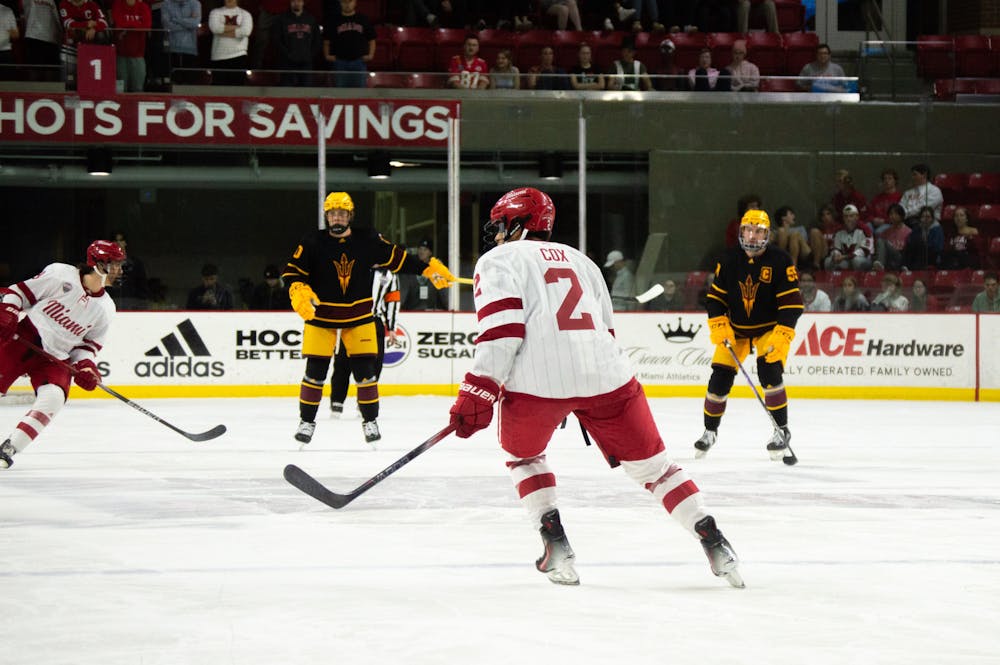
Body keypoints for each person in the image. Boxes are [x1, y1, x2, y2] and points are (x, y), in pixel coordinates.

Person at [448, 186, 743, 588]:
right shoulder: (583, 261)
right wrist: (580, 390)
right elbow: (605, 329)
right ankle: (715, 540)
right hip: (607, 376)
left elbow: (502, 332)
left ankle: (556, 545)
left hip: (536, 384)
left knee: (524, 457)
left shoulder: (497, 259)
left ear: (518, 223)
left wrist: (478, 390)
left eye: (501, 225)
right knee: (657, 469)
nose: (497, 235)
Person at [283, 191, 456, 446]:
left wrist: (428, 268)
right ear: (326, 216)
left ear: (350, 215)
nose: (337, 218)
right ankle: (306, 422)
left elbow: (398, 258)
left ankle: (370, 421)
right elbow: (292, 272)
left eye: (342, 213)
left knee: (366, 374)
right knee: (314, 374)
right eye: (332, 213)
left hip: (360, 316)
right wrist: (298, 289)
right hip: (322, 317)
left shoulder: (368, 239)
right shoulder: (312, 241)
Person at [0, 240, 125, 469]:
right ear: (95, 263)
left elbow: (87, 347)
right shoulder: (60, 275)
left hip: (56, 358)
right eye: (113, 263)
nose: (119, 269)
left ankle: (8, 450)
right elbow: (19, 292)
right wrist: (8, 311)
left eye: (119, 264)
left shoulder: (106, 308)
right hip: (25, 339)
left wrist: (88, 368)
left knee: (54, 398)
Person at [693, 209, 802, 464]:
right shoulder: (729, 259)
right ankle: (710, 431)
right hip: (737, 330)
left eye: (759, 231)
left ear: (767, 234)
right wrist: (719, 323)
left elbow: (792, 304)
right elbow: (715, 298)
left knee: (770, 373)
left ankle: (781, 430)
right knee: (719, 378)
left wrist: (783, 333)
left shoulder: (781, 260)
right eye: (748, 230)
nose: (752, 236)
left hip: (768, 329)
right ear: (741, 232)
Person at [329, 268, 399, 418]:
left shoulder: (388, 274)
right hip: (349, 319)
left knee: (374, 364)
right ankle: (337, 403)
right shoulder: (352, 266)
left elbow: (393, 300)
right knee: (342, 362)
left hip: (374, 322)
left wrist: (392, 327)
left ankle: (365, 402)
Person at [323, 0, 375, 89]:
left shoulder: (363, 19)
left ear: (355, 3)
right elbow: (326, 41)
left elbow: (372, 40)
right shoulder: (333, 20)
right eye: (344, 2)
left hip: (359, 62)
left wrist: (371, 55)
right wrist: (327, 55)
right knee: (340, 92)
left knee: (359, 92)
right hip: (340, 62)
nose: (347, 5)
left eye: (349, 2)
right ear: (340, 3)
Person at [59, 0, 109, 86]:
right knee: (69, 82)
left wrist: (94, 28)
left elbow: (104, 23)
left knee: (87, 82)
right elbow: (67, 23)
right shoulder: (64, 4)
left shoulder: (91, 4)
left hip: (88, 51)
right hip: (69, 49)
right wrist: (87, 24)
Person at [273, 0, 320, 87]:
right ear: (290, 2)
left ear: (303, 2)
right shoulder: (281, 19)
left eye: (299, 1)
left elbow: (317, 40)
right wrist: (287, 55)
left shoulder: (311, 19)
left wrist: (310, 55)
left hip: (306, 63)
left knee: (306, 92)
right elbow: (277, 40)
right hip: (287, 63)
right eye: (294, 1)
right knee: (287, 92)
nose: (296, 3)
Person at [208, 0, 252, 86]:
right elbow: (215, 28)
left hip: (238, 55)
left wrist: (222, 32)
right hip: (218, 56)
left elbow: (246, 31)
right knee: (219, 90)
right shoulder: (215, 12)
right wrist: (237, 27)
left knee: (237, 89)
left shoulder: (245, 14)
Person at [110, 0, 151, 92]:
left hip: (138, 55)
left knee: (138, 89)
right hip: (120, 55)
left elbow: (147, 25)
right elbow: (119, 23)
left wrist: (127, 27)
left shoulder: (143, 7)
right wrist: (137, 25)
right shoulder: (117, 4)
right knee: (120, 90)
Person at [399, 239, 449, 310]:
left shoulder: (436, 270)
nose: (422, 252)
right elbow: (402, 295)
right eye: (420, 249)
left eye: (425, 249)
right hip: (411, 313)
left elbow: (444, 296)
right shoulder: (409, 269)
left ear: (430, 252)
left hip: (431, 314)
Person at [824, 204, 872, 271]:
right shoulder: (839, 231)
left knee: (856, 261)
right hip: (845, 261)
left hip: (863, 260)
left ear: (857, 217)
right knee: (828, 261)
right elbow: (835, 248)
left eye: (851, 216)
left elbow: (865, 251)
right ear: (843, 218)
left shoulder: (865, 230)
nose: (848, 219)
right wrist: (836, 255)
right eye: (846, 216)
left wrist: (845, 257)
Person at [109, 230, 148, 310]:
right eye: (115, 241)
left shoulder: (136, 264)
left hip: (132, 307)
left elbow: (142, 287)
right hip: (111, 305)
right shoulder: (106, 264)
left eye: (121, 240)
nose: (118, 243)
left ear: (125, 243)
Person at [161, 0, 201, 73]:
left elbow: (195, 23)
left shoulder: (195, 3)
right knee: (173, 79)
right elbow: (166, 25)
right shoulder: (166, 3)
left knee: (189, 79)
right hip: (171, 47)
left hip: (190, 48)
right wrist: (188, 24)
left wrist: (176, 20)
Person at [23, 0, 62, 70]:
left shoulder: (52, 1)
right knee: (35, 68)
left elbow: (57, 17)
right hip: (34, 35)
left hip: (49, 36)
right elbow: (25, 12)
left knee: (50, 69)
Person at [872, 203, 911, 272]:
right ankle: (880, 266)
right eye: (891, 214)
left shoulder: (908, 232)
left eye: (895, 214)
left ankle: (880, 264)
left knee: (882, 241)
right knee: (880, 240)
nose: (893, 216)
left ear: (901, 216)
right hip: (888, 260)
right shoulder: (885, 232)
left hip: (901, 259)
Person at [903, 205, 944, 270]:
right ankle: (905, 266)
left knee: (920, 243)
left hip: (932, 254)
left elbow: (938, 247)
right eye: (923, 217)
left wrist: (925, 241)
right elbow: (911, 241)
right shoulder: (917, 228)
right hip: (918, 253)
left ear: (932, 218)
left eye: (928, 217)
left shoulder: (937, 229)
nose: (925, 219)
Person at [867, 168, 902, 234]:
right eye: (885, 179)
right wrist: (873, 219)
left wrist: (884, 221)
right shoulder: (877, 198)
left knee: (878, 232)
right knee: (866, 227)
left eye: (889, 178)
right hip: (875, 223)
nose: (886, 181)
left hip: (890, 224)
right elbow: (869, 213)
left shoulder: (900, 197)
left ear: (895, 181)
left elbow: (899, 217)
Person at [807, 203, 841, 271]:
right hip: (816, 252)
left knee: (814, 231)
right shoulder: (820, 228)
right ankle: (792, 267)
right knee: (796, 235)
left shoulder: (839, 227)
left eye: (828, 214)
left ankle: (816, 264)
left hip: (830, 252)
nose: (826, 217)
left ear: (832, 215)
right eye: (823, 215)